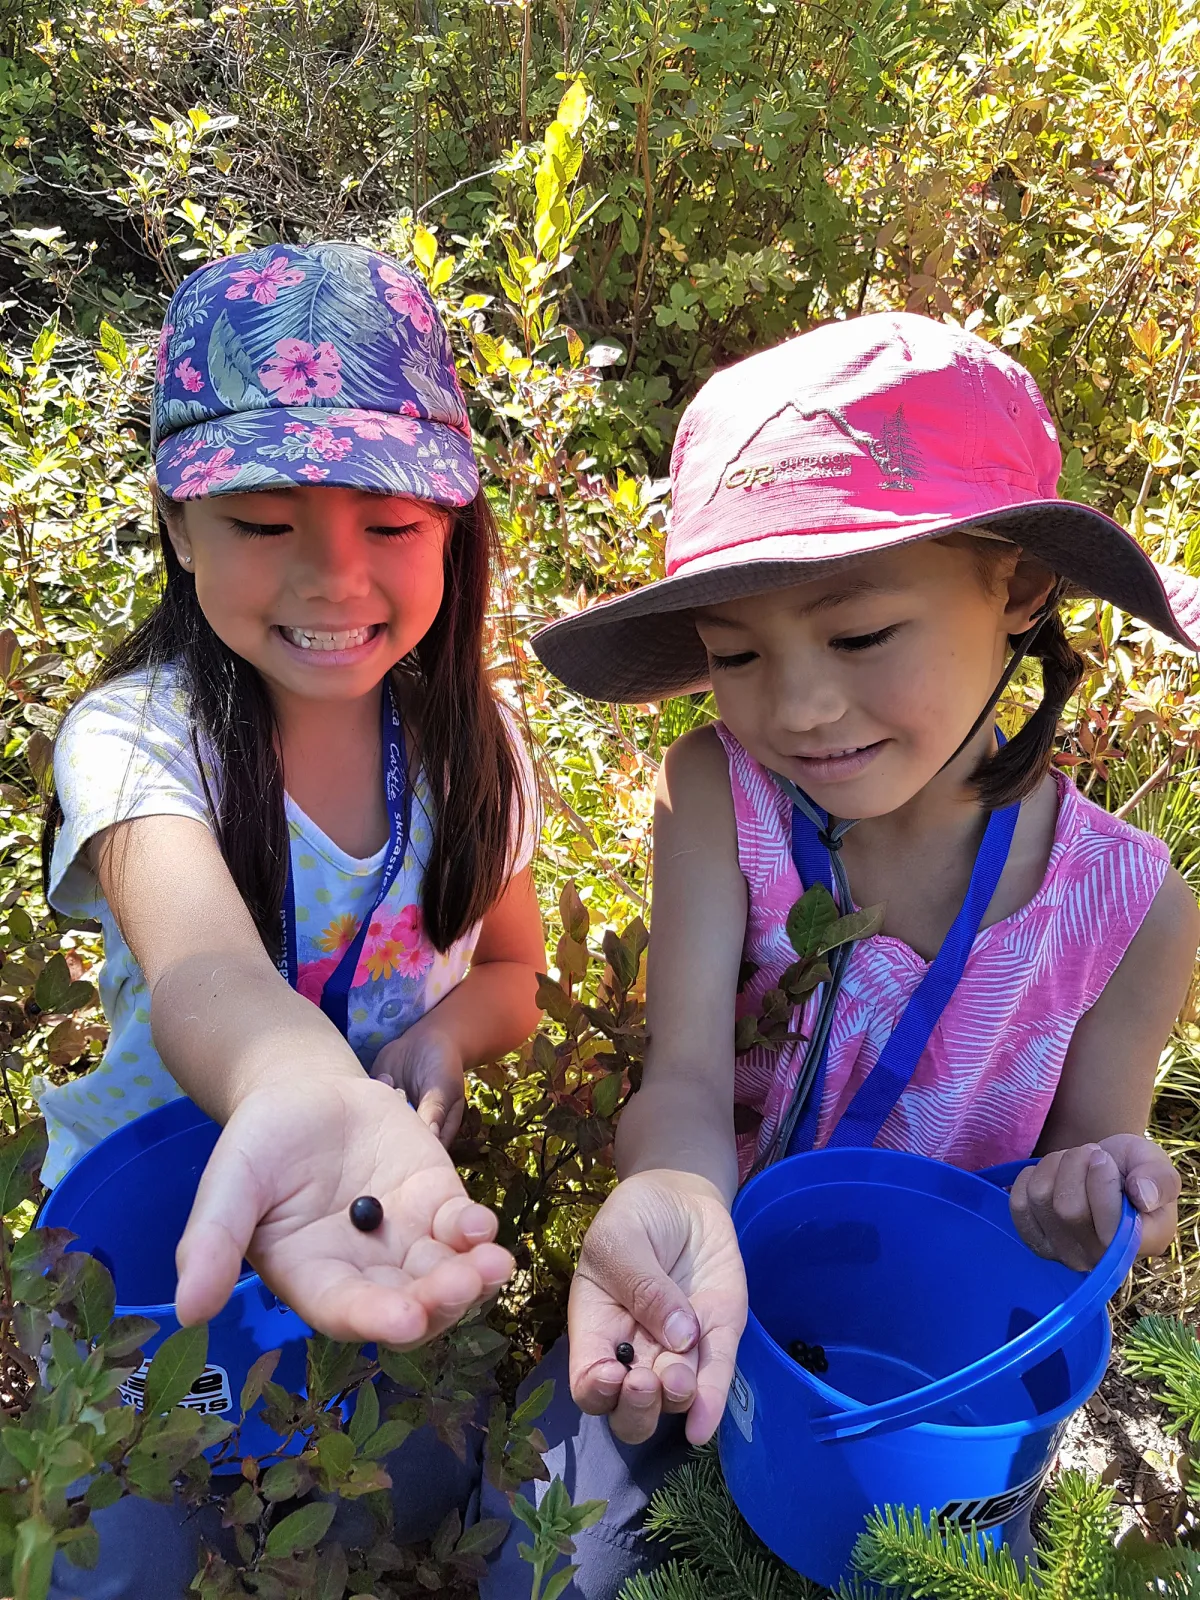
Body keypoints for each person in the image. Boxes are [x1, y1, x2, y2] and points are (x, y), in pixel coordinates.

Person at [526, 312, 1200, 1592]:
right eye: (736, 653)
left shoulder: (1130, 906)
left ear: (1017, 585)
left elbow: (1094, 1152)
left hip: (927, 1386)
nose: (798, 707)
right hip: (698, 1303)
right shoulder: (724, 801)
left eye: (858, 634)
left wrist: (1100, 1189)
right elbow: (679, 1074)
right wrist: (671, 1198)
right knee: (553, 1559)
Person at [39, 243, 546, 1598]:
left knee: (418, 1499)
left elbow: (512, 971)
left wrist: (441, 1040)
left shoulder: (475, 746)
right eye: (265, 523)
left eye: (389, 524)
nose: (333, 577)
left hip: (364, 1220)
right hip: (153, 1247)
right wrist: (301, 1080)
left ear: (454, 526)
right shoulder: (138, 742)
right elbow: (205, 971)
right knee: (130, 1538)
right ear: (176, 527)